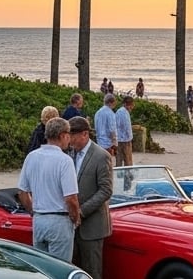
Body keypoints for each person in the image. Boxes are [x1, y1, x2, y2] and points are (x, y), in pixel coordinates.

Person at [17, 117, 81, 261]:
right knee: (60, 268)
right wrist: (75, 217)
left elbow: (22, 192)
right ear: (63, 135)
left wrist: (33, 211)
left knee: (42, 267)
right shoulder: (65, 161)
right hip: (59, 220)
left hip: (39, 219)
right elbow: (71, 198)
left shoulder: (31, 157)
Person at [66, 117, 113, 278]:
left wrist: (81, 211)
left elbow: (105, 190)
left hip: (92, 225)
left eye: (72, 135)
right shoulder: (69, 154)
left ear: (85, 134)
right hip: (71, 224)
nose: (69, 140)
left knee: (92, 271)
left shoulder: (101, 156)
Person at [114, 96, 135, 167]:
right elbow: (127, 127)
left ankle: (118, 174)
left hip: (119, 139)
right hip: (125, 140)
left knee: (119, 159)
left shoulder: (118, 111)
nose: (132, 107)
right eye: (131, 105)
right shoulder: (124, 113)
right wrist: (131, 138)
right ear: (127, 105)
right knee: (128, 159)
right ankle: (128, 175)